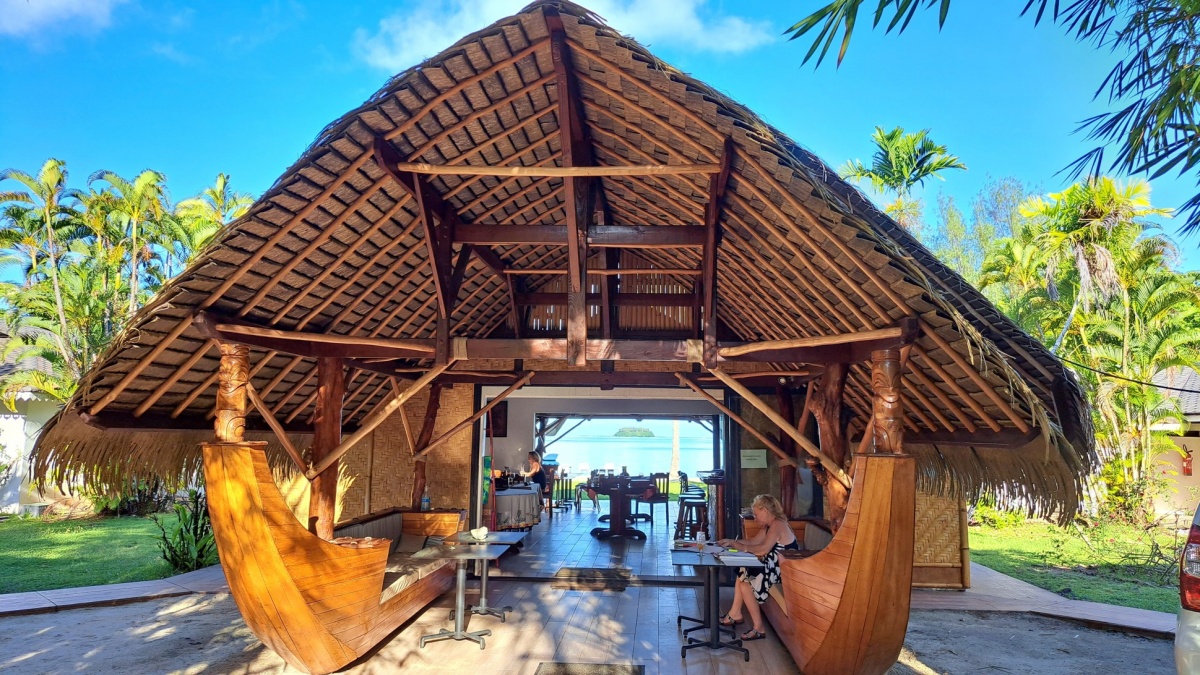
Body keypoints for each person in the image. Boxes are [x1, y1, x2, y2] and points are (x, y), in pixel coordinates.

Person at [715, 494, 798, 642]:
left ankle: (758, 628)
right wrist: (731, 542)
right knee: (743, 571)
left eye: (756, 514)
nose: (754, 518)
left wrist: (740, 547)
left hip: (783, 571)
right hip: (774, 568)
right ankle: (735, 614)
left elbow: (763, 550)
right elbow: (753, 542)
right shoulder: (770, 525)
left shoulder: (778, 525)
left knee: (745, 582)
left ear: (765, 511)